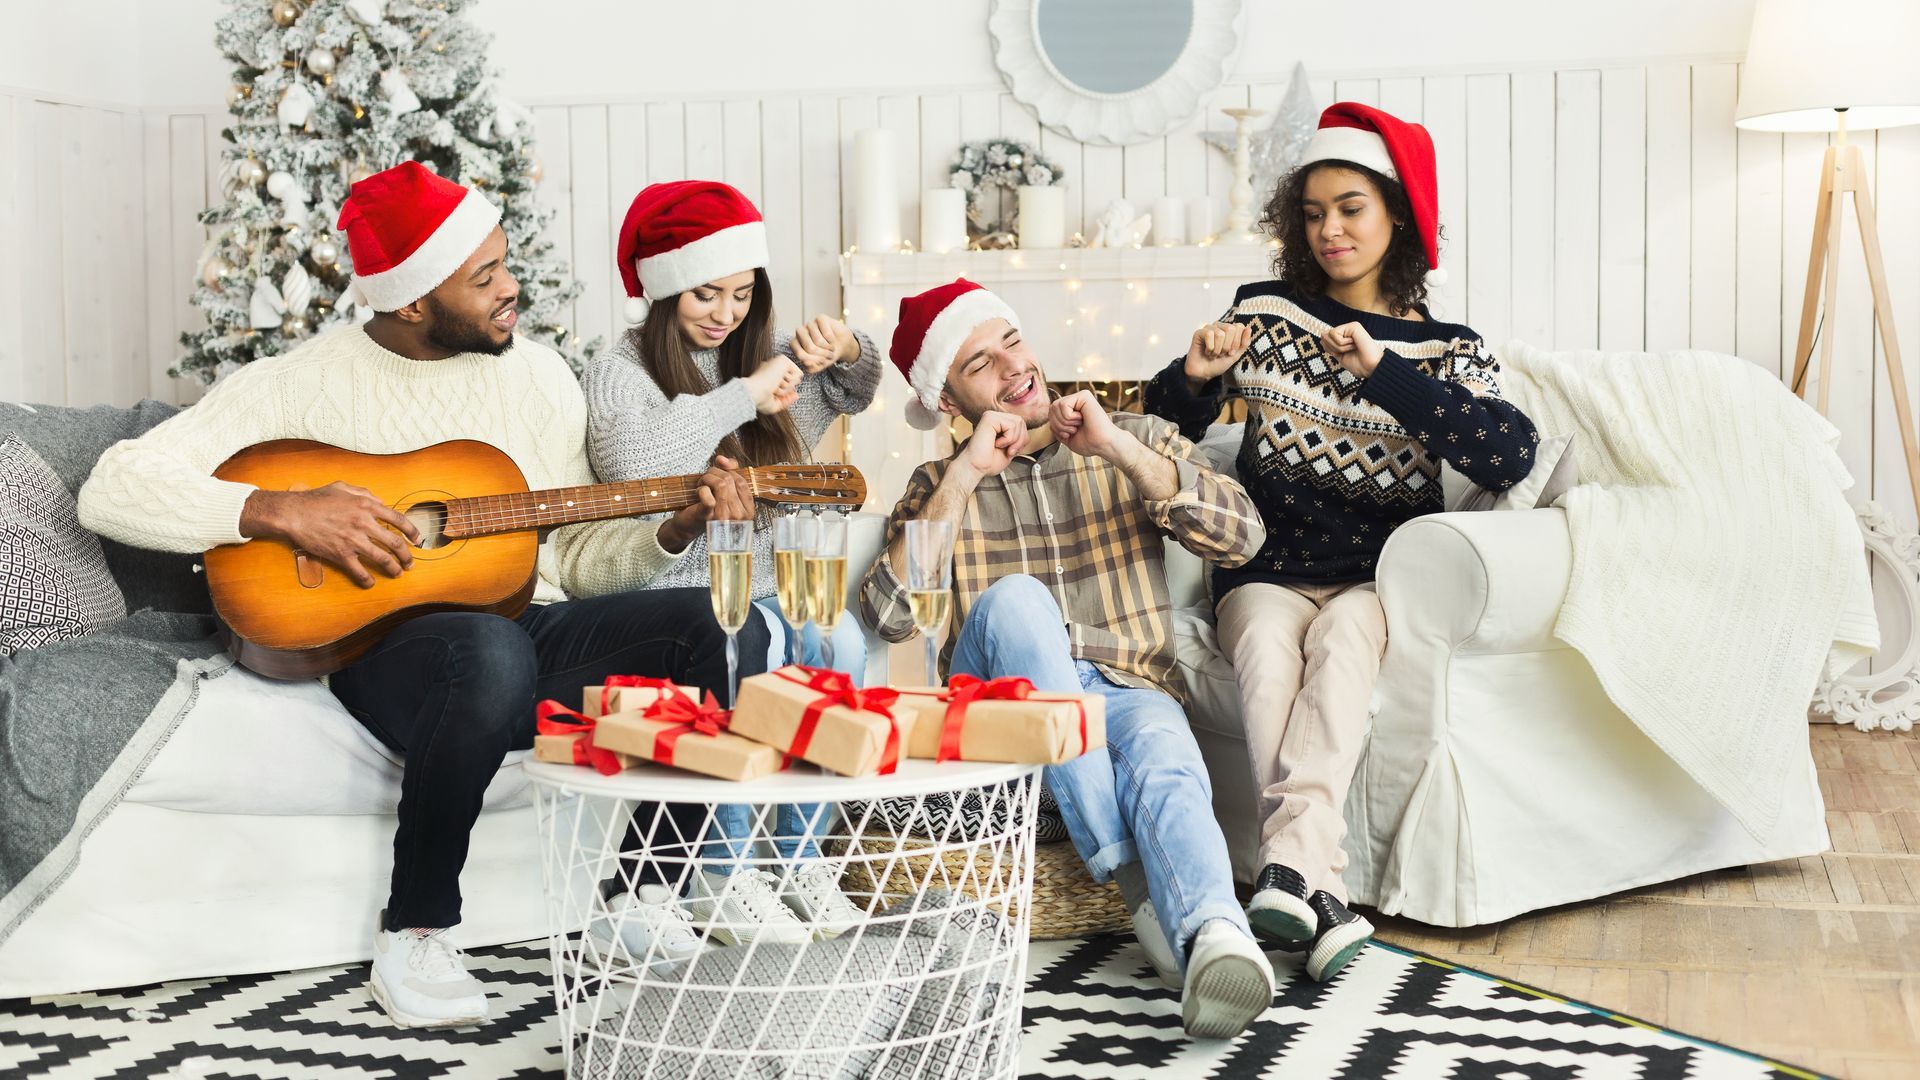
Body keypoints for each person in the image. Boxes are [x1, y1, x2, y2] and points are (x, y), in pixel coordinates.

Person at [77, 162, 771, 1030]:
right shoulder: (298, 382)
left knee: (715, 625)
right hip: (384, 654)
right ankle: (416, 930)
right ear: (410, 302)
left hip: (523, 632)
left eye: (504, 263)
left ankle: (643, 894)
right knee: (487, 651)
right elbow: (112, 485)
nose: (512, 289)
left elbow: (580, 560)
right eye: (483, 279)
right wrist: (278, 510)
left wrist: (674, 527)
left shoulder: (539, 376)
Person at [1142, 103, 1541, 982]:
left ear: (1394, 215)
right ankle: (1312, 883)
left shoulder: (1446, 347)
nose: (1329, 230)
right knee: (1267, 655)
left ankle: (1291, 873)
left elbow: (1510, 454)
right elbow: (1156, 431)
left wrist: (1384, 373)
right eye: (1314, 212)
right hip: (1266, 569)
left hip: (1370, 578)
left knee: (1350, 642)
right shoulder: (1267, 311)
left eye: (1351, 208)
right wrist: (1196, 378)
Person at [858, 278, 1276, 1040]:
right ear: (948, 402)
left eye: (1011, 341)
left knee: (1164, 753)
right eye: (980, 363)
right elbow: (887, 617)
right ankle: (1129, 873)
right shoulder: (935, 484)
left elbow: (1243, 537)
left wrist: (1117, 446)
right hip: (1002, 707)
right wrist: (964, 476)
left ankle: (1216, 937)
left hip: (1126, 679)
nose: (1012, 366)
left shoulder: (1130, 436)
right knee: (1018, 601)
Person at [583, 180, 884, 944]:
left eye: (743, 294)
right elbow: (633, 462)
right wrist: (744, 396)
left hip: (774, 584)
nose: (725, 314)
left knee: (842, 643)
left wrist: (844, 347)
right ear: (661, 292)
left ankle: (798, 862)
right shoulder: (620, 370)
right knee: (764, 644)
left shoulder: (757, 354)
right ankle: (724, 872)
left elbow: (853, 390)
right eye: (705, 294)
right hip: (686, 591)